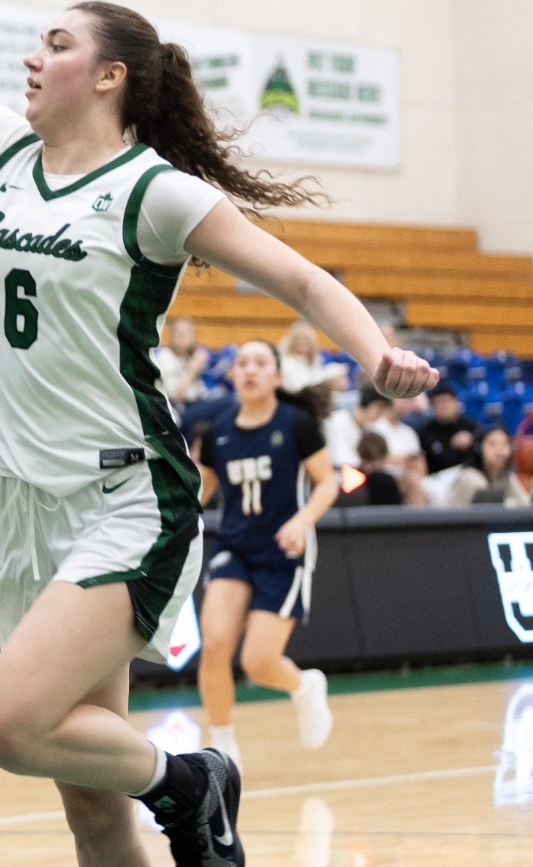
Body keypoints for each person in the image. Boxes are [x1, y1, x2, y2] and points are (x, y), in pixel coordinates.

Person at [0, 0, 437, 863]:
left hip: (127, 491)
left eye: (56, 43)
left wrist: (375, 354)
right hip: (22, 499)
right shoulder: (2, 155)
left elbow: (303, 281)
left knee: (7, 723)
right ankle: (173, 787)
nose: (33, 57)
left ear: (110, 75)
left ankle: (192, 775)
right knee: (82, 791)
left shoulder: (155, 192)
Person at [191, 341, 337, 771]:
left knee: (257, 664)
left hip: (283, 550)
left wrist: (302, 520)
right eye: (242, 363)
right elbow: (203, 488)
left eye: (260, 363)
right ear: (232, 375)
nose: (250, 370)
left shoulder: (296, 423)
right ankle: (222, 747)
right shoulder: (216, 428)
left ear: (277, 376)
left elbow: (327, 483)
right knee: (215, 644)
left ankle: (304, 686)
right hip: (235, 546)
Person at [322, 385, 419, 470]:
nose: (380, 416)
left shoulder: (368, 429)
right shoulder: (337, 420)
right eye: (381, 410)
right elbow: (341, 460)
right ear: (376, 406)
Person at [444, 427, 531, 507]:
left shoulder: (506, 475)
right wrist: (514, 504)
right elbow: (490, 504)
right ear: (478, 449)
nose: (500, 449)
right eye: (492, 444)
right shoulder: (469, 476)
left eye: (505, 444)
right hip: (460, 522)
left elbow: (526, 504)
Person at [417, 387, 481, 474]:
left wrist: (472, 439)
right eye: (437, 403)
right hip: (439, 477)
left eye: (445, 401)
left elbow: (483, 448)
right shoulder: (426, 432)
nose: (442, 406)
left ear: (456, 403)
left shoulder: (470, 425)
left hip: (470, 471)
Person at [154, 318, 214, 408]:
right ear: (171, 336)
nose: (182, 335)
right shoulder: (164, 356)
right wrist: (194, 367)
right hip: (179, 407)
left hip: (201, 401)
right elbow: (176, 397)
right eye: (178, 332)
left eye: (187, 332)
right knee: (228, 402)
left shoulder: (192, 356)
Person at [277, 321, 346, 394]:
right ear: (291, 342)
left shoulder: (314, 360)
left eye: (305, 340)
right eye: (298, 339)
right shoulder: (286, 363)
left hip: (318, 398)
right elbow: (299, 388)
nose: (301, 342)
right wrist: (327, 379)